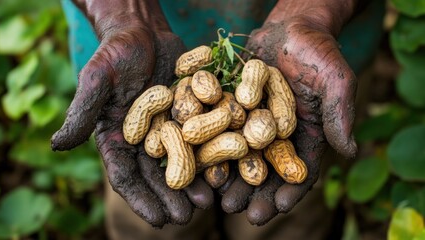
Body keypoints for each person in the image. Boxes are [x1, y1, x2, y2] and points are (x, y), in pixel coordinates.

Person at [53, 0, 384, 239]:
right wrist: (124, 13)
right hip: (136, 56)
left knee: (287, 217)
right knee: (153, 222)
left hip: (305, 64)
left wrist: (316, 11)